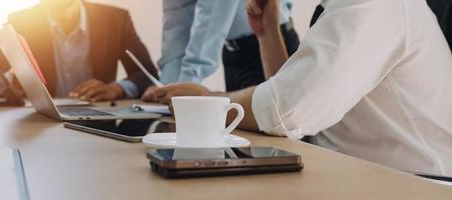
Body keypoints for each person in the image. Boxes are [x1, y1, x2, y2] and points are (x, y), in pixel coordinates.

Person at [148, 0, 452, 176]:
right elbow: (298, 97)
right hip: (362, 175)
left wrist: (206, 102)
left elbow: (286, 110)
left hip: (413, 185)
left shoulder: (372, 4)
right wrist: (268, 34)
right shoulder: (340, 8)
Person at [0, 0, 158, 102]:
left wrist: (117, 88)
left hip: (99, 122)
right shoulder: (21, 22)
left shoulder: (116, 20)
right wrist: (12, 78)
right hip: (39, 125)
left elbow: (147, 74)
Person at [142, 0, 299, 102]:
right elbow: (176, 28)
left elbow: (212, 17)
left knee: (275, 134)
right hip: (233, 51)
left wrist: (182, 94)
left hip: (270, 42)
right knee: (237, 135)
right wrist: (164, 89)